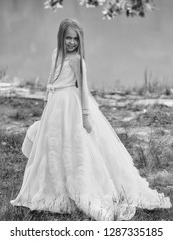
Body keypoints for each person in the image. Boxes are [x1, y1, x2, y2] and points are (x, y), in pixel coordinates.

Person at [11, 19, 172, 221]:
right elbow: (51, 80)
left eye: (75, 39)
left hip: (71, 105)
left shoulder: (77, 60)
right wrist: (46, 102)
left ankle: (78, 185)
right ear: (61, 37)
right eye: (68, 38)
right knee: (53, 144)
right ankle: (53, 186)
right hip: (55, 105)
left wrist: (86, 117)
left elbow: (83, 90)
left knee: (74, 145)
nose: (71, 42)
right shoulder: (56, 54)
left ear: (80, 41)